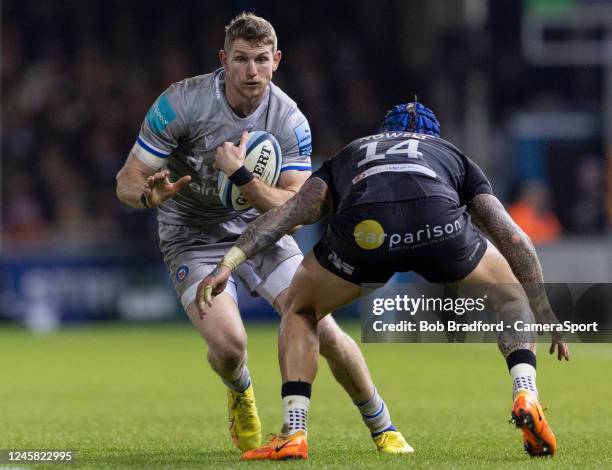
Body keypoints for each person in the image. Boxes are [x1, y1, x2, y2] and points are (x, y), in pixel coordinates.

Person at [198, 101, 571, 460]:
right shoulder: (450, 154)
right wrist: (542, 308)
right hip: (437, 224)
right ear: (433, 135)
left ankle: (294, 432)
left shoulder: (353, 151)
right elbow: (513, 238)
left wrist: (230, 261)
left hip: (367, 230)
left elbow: (291, 213)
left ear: (384, 132)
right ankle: (526, 393)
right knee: (510, 300)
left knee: (300, 308)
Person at [115, 12, 411, 455]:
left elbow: (296, 210)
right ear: (223, 60)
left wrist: (239, 177)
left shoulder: (290, 120)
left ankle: (383, 427)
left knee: (323, 328)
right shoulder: (181, 103)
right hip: (191, 235)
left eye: (260, 60)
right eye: (240, 60)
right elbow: (127, 178)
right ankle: (240, 389)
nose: (251, 71)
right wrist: (146, 197)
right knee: (230, 346)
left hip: (266, 234)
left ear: (276, 60)